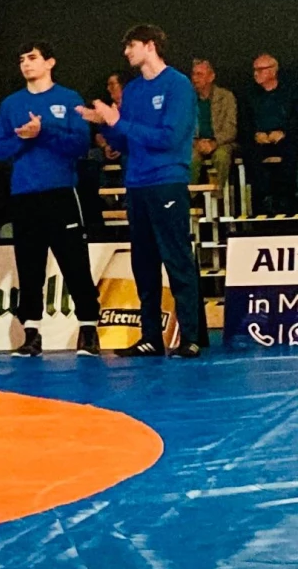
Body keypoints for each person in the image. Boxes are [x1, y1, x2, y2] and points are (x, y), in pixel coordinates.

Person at [78, 24, 202, 358]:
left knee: (176, 258)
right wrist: (104, 124)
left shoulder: (177, 84)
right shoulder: (132, 91)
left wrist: (118, 122)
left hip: (167, 181)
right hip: (137, 183)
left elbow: (169, 138)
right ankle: (150, 336)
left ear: (150, 45)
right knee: (143, 262)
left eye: (130, 45)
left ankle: (191, 335)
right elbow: (124, 141)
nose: (126, 52)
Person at [0, 42, 101, 357]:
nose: (26, 64)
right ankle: (31, 333)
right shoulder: (12, 104)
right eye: (22, 59)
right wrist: (24, 138)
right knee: (29, 267)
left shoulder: (68, 98)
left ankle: (88, 329)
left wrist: (44, 131)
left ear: (50, 62)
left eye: (33, 58)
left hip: (60, 192)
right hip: (24, 194)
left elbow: (80, 144)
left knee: (74, 263)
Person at [244, 52, 295, 215]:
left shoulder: (290, 93)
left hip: (285, 138)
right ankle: (263, 201)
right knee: (251, 155)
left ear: (273, 71)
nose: (256, 73)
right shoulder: (249, 95)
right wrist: (255, 134)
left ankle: (287, 200)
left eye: (260, 69)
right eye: (254, 70)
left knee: (291, 152)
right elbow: (245, 122)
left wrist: (283, 133)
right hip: (259, 140)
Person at [188, 58, 237, 189]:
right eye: (193, 74)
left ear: (211, 77)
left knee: (222, 157)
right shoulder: (187, 99)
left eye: (199, 74)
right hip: (196, 144)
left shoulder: (226, 97)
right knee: (190, 158)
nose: (195, 78)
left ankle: (217, 196)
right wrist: (196, 143)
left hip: (220, 143)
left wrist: (214, 143)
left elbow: (230, 129)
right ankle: (190, 197)